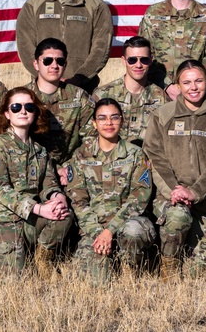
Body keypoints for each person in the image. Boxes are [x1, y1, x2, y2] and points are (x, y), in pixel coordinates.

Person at [143, 60, 206, 278]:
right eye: (186, 82)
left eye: (199, 81)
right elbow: (154, 157)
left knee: (202, 270)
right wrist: (175, 190)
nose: (193, 87)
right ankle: (169, 262)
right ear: (178, 84)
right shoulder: (163, 115)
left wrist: (195, 192)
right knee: (176, 218)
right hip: (173, 199)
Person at [0, 88, 73, 274]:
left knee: (64, 215)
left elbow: (49, 183)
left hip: (30, 219)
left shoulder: (39, 151)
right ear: (6, 113)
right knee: (11, 281)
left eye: (29, 107)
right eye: (16, 107)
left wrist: (57, 197)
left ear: (35, 112)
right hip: (2, 220)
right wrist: (38, 208)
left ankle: (42, 257)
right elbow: (0, 190)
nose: (23, 111)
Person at [65, 99, 155, 282]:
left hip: (128, 224)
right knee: (96, 282)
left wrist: (110, 230)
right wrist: (98, 232)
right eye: (102, 118)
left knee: (133, 232)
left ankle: (129, 266)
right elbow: (78, 201)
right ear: (94, 123)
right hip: (94, 229)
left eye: (114, 117)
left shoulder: (136, 154)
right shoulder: (81, 155)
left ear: (122, 120)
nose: (108, 123)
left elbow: (139, 198)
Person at [16, 0, 113, 92]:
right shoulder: (33, 5)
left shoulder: (96, 5)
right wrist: (45, 76)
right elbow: (25, 46)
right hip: (42, 89)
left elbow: (101, 48)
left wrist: (79, 78)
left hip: (84, 89)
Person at [28, 38, 95, 168]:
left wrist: (70, 166)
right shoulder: (23, 98)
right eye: (47, 61)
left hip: (72, 168)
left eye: (60, 61)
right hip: (32, 168)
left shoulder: (79, 97)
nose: (54, 66)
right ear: (36, 64)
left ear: (65, 64)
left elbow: (91, 138)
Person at [92, 36, 167, 144]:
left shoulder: (162, 98)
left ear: (151, 60)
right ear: (124, 60)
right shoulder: (102, 95)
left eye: (144, 59)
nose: (138, 65)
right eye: (132, 60)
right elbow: (90, 134)